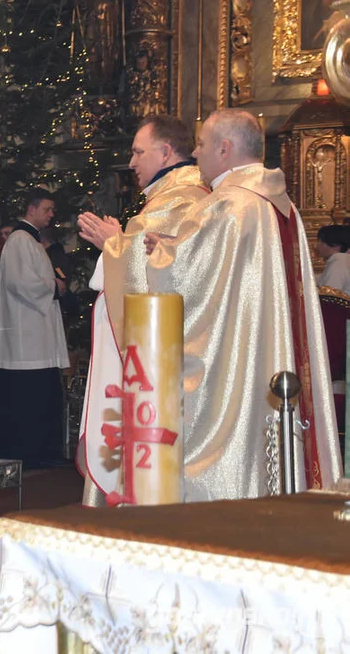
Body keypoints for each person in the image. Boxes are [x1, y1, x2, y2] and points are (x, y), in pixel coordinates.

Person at [145, 109, 340, 499]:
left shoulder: (228, 204)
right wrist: (177, 245)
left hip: (237, 360)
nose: (196, 154)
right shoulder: (281, 204)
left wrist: (162, 253)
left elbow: (186, 282)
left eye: (200, 145)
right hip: (270, 352)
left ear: (225, 148)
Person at [76, 115, 209, 504]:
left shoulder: (179, 199)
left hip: (155, 358)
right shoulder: (172, 196)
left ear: (166, 152)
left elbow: (160, 272)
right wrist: (121, 242)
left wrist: (115, 245)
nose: (131, 162)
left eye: (138, 152)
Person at [0, 188, 69, 467]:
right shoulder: (20, 240)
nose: (51, 214)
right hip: (24, 337)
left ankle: (38, 453)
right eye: (47, 209)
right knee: (24, 396)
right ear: (31, 210)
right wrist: (54, 287)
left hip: (33, 333)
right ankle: (28, 454)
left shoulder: (30, 240)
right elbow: (20, 283)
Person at [316, 224, 350, 295]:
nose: (317, 245)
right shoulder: (343, 259)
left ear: (334, 244)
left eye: (320, 241)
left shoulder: (339, 262)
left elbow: (330, 295)